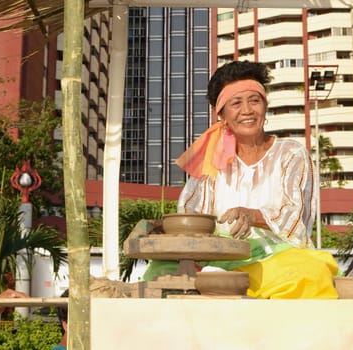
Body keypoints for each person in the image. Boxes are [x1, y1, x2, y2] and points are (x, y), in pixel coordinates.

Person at [142, 60, 339, 299]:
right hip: (216, 257)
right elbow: (192, 216)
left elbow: (295, 219)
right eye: (236, 103)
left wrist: (253, 216)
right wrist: (164, 229)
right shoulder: (210, 159)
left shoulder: (291, 153)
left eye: (254, 101)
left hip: (272, 259)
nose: (247, 110)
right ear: (222, 115)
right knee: (158, 274)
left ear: (265, 107)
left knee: (309, 272)